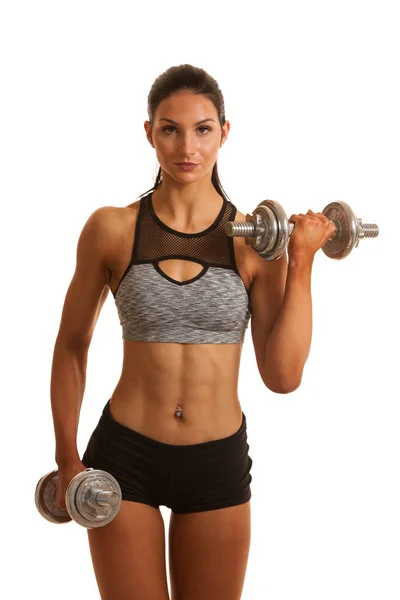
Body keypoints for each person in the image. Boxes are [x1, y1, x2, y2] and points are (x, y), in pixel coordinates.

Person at [50, 64, 335, 600]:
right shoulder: (112, 229)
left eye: (203, 129)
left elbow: (283, 375)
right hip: (124, 458)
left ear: (225, 133)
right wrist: (68, 456)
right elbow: (70, 347)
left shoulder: (255, 242)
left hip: (216, 462)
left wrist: (301, 264)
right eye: (170, 129)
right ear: (149, 132)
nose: (187, 146)